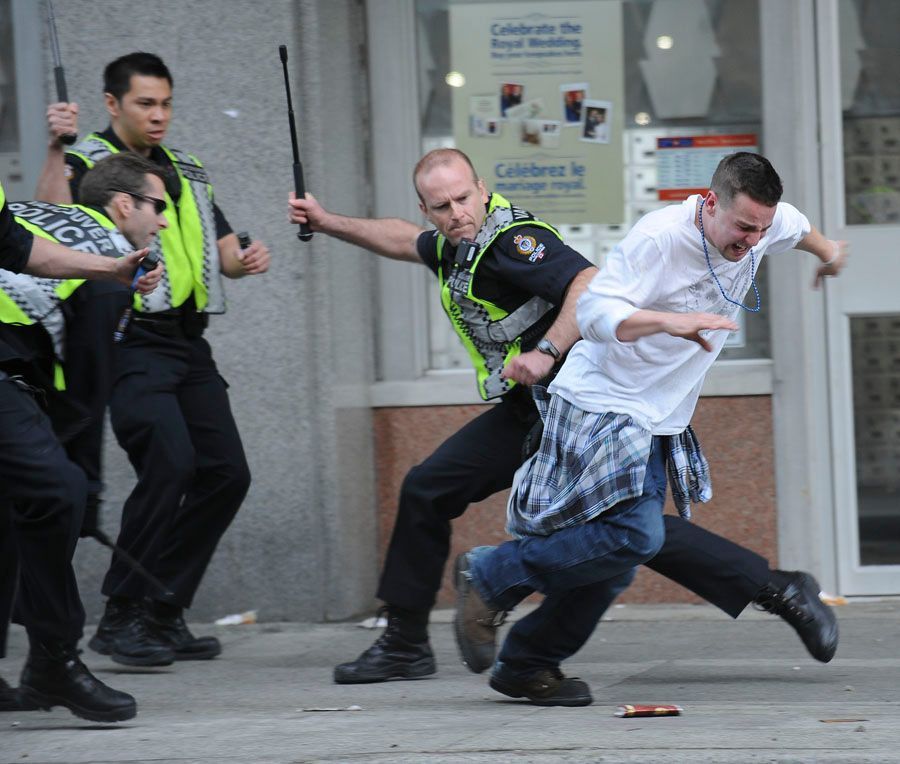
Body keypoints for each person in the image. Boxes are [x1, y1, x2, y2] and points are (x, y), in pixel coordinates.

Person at [288, 148, 839, 688]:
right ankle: (480, 650)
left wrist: (546, 352)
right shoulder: (464, 243)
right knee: (616, 534)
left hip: (565, 398)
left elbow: (586, 283)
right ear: (426, 210)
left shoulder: (514, 242)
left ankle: (476, 635)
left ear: (483, 190)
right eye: (440, 206)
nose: (455, 213)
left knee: (620, 534)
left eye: (462, 199)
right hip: (573, 399)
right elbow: (406, 242)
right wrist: (328, 221)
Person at [453, 151, 848, 706]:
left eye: (760, 229)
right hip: (602, 406)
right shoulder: (658, 239)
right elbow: (593, 315)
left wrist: (828, 252)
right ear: (711, 203)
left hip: (656, 414)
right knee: (638, 536)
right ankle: (494, 574)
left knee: (614, 564)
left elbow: (797, 227)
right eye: (741, 228)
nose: (750, 241)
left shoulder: (764, 223)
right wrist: (668, 320)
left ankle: (527, 663)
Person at [36, 52, 270, 667]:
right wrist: (56, 147)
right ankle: (120, 616)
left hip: (187, 342)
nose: (159, 115)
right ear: (113, 104)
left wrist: (245, 257)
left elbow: (223, 253)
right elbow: (52, 225)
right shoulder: (87, 159)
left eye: (166, 102)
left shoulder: (186, 168)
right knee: (169, 461)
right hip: (126, 338)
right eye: (145, 103)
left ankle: (162, 610)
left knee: (226, 473)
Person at [0, 169, 162, 721]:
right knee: (56, 489)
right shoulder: (105, 281)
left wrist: (113, 271)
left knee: (21, 501)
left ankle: (49, 661)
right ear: (123, 206)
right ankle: (53, 662)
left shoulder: (88, 245)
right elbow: (87, 401)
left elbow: (16, 247)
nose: (164, 221)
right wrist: (83, 486)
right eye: (156, 208)